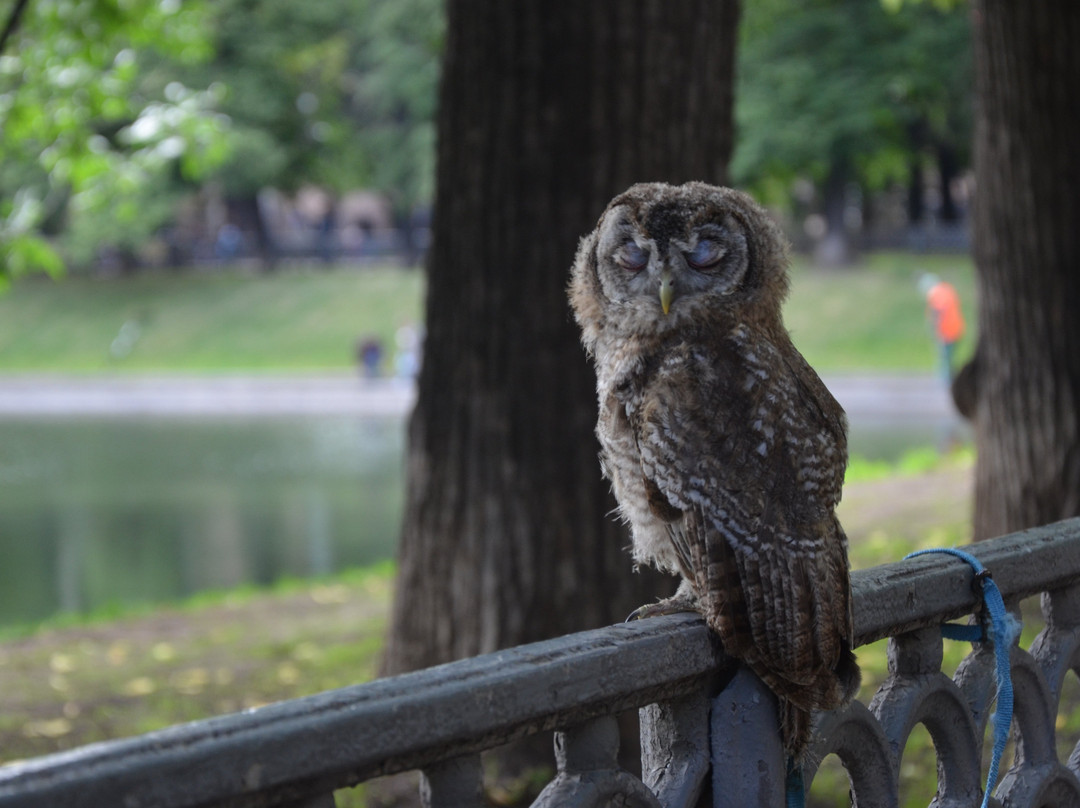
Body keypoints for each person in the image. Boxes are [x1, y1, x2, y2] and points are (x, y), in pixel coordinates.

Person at [919, 273, 965, 382]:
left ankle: (947, 381)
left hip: (947, 331)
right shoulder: (947, 289)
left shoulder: (935, 294)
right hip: (956, 328)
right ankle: (950, 379)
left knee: (945, 358)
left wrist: (937, 331)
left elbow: (938, 312)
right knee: (949, 358)